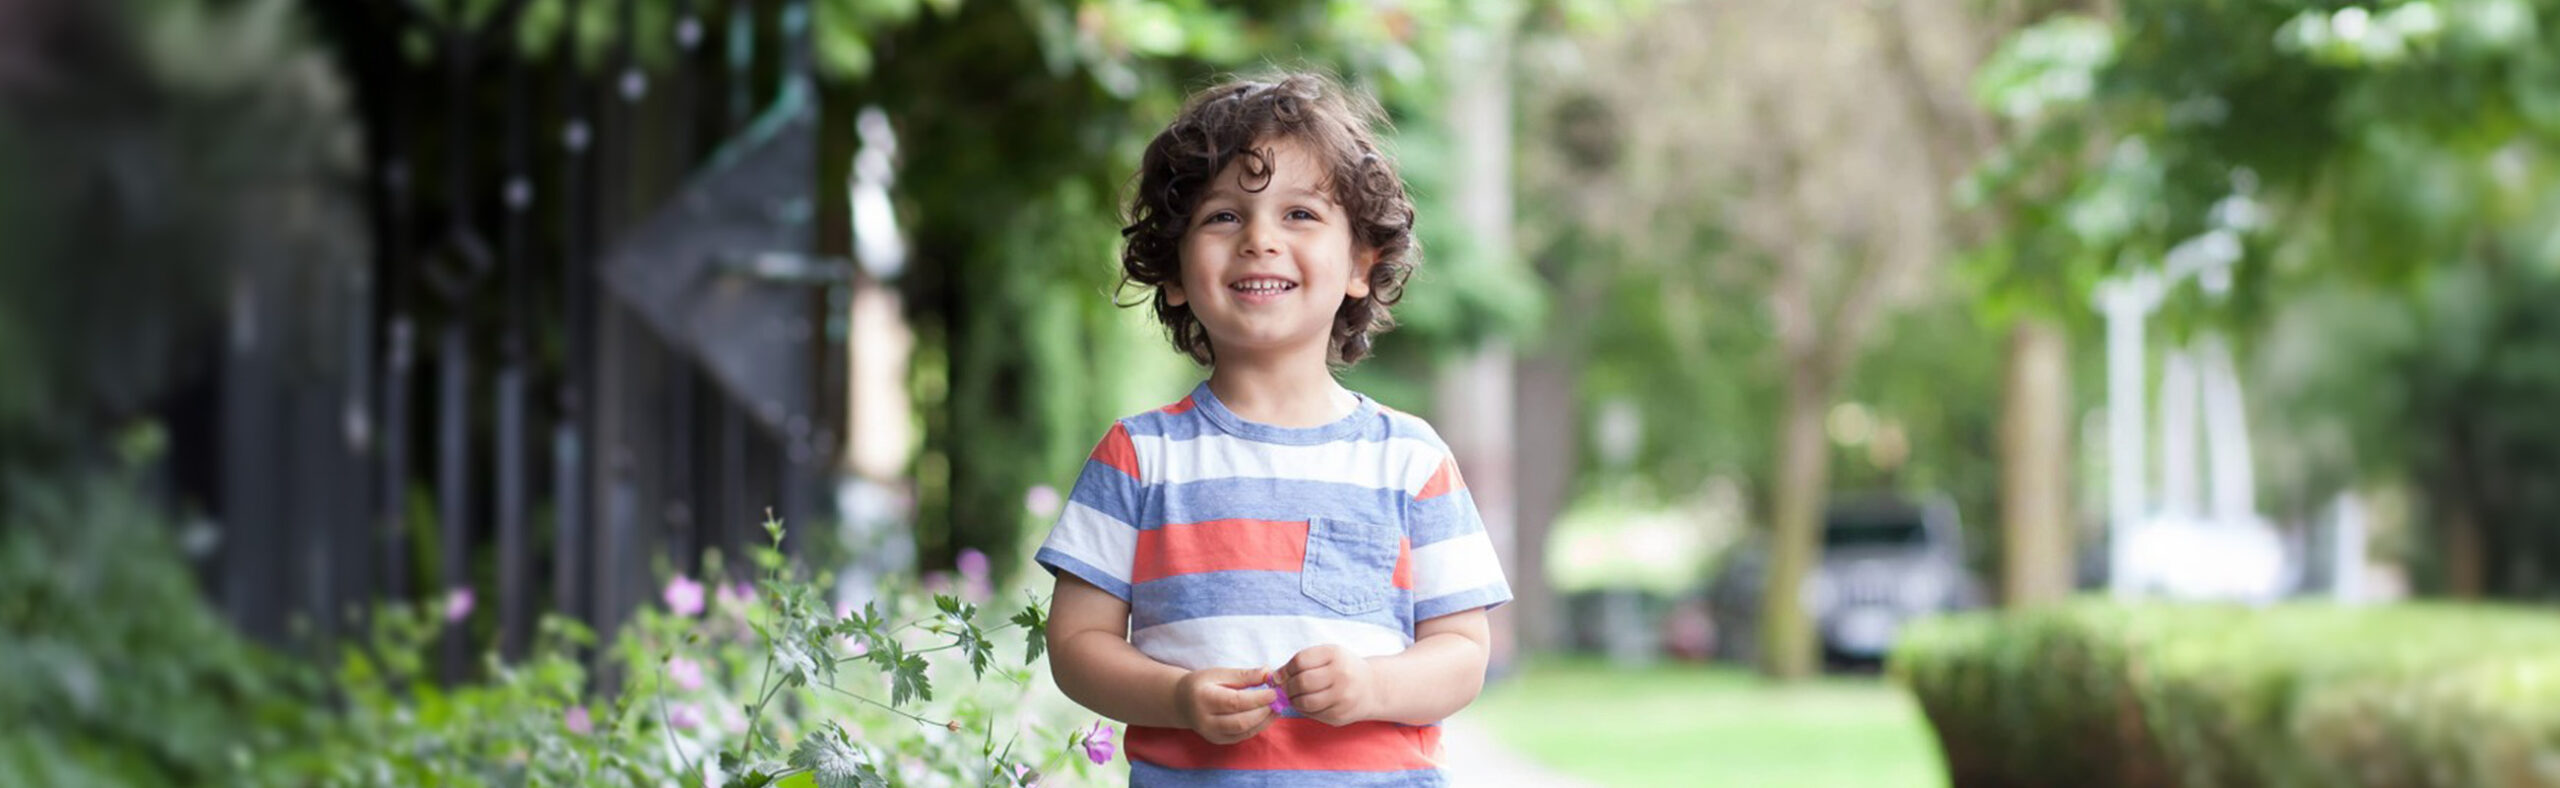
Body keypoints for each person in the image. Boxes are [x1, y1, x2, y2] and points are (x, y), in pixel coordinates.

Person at [1036, 71, 1513, 787]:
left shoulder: (1409, 459)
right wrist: (1174, 696)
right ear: (1173, 271)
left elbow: (1463, 653)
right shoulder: (1139, 456)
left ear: (1359, 263)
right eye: (1223, 216)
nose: (1259, 238)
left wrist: (1373, 687)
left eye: (1300, 214)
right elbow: (1076, 645)